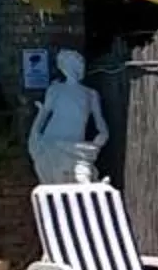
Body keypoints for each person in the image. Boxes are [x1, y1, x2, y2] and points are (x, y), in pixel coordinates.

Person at [26, 49, 107, 184]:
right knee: (57, 184)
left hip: (77, 147)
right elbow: (43, 116)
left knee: (81, 178)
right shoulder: (55, 90)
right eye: (67, 64)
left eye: (77, 63)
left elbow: (101, 126)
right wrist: (35, 135)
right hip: (52, 142)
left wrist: (102, 137)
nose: (73, 67)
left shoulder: (91, 94)